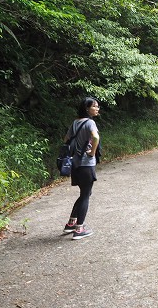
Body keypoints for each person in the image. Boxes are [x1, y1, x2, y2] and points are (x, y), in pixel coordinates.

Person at [62, 96, 101, 240]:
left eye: (97, 106)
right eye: (94, 106)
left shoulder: (75, 122)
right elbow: (95, 138)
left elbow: (65, 139)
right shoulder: (90, 123)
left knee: (85, 193)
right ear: (86, 108)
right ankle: (79, 229)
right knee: (86, 195)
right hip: (86, 164)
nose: (97, 108)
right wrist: (91, 152)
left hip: (75, 164)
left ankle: (71, 223)